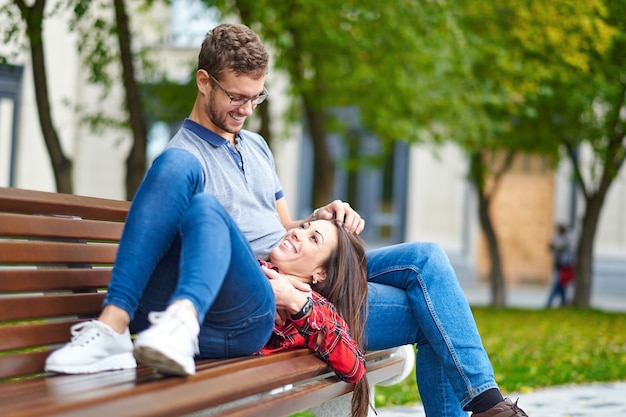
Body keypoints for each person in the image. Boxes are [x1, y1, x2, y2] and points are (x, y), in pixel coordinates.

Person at [46, 23, 527, 417]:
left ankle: (484, 403)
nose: (246, 109)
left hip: (303, 268)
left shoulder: (254, 144)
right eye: (236, 97)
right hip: (264, 287)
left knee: (426, 259)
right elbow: (202, 243)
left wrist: (320, 219)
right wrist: (281, 281)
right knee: (431, 312)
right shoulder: (186, 158)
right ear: (203, 81)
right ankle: (485, 406)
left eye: (256, 98)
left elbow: (283, 226)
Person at [46, 211, 372, 415]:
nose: (298, 231)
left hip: (232, 375)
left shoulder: (312, 306)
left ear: (321, 274)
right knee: (204, 208)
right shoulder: (254, 270)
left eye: (313, 237)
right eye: (306, 225)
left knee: (206, 208)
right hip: (193, 356)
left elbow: (355, 367)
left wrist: (296, 302)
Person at [546, 224, 576, 307]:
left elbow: (559, 247)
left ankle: (549, 303)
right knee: (561, 286)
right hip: (560, 266)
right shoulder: (560, 238)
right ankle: (563, 303)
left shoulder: (567, 238)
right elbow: (551, 247)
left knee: (559, 285)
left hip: (565, 266)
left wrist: (554, 245)